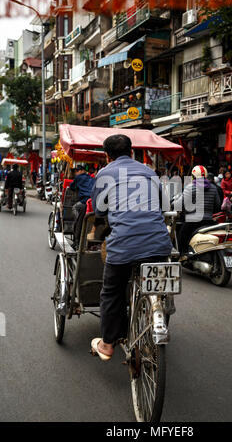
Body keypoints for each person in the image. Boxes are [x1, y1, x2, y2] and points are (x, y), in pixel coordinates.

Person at [90, 134, 172, 361]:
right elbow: (165, 206)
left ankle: (107, 344)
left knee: (111, 292)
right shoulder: (149, 172)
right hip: (159, 244)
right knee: (160, 287)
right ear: (132, 152)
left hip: (123, 246)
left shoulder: (104, 174)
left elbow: (99, 211)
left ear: (107, 156)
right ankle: (157, 310)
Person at [173, 165, 221, 257]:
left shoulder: (191, 187)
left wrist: (173, 204)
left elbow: (179, 204)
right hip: (209, 221)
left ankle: (182, 255)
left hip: (193, 221)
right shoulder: (213, 188)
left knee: (181, 235)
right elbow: (217, 205)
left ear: (193, 176)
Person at [69, 165, 95, 248]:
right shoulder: (92, 178)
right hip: (94, 202)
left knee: (75, 208)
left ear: (81, 171)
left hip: (84, 202)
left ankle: (77, 221)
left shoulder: (78, 177)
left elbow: (71, 187)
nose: (75, 173)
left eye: (76, 171)